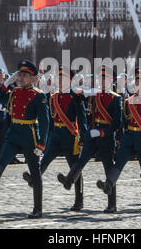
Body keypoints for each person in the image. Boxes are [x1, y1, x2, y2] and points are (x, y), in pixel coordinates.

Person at [0, 60, 49, 219]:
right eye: (19, 75)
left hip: (30, 135)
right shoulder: (15, 92)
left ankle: (38, 209)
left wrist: (42, 143)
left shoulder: (38, 95)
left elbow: (45, 121)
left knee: (35, 172)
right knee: (2, 159)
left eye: (24, 76)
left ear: (32, 78)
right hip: (14, 132)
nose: (21, 78)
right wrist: (7, 82)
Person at [96, 69, 141, 215]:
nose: (138, 83)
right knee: (118, 163)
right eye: (137, 80)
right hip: (128, 138)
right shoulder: (128, 101)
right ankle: (108, 184)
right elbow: (124, 123)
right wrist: (120, 139)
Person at [57, 65, 122, 213]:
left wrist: (102, 132)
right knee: (81, 161)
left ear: (112, 80)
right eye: (100, 77)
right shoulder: (93, 93)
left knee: (108, 168)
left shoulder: (116, 98)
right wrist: (77, 84)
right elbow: (75, 95)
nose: (102, 80)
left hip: (105, 137)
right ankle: (69, 180)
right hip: (91, 135)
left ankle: (112, 204)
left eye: (105, 77)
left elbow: (117, 122)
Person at [23, 65, 90, 211]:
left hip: (70, 136)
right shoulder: (54, 96)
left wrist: (83, 138)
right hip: (55, 135)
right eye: (58, 77)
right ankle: (34, 178)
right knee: (45, 160)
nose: (59, 80)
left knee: (75, 169)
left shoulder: (75, 97)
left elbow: (82, 118)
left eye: (62, 77)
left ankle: (79, 201)